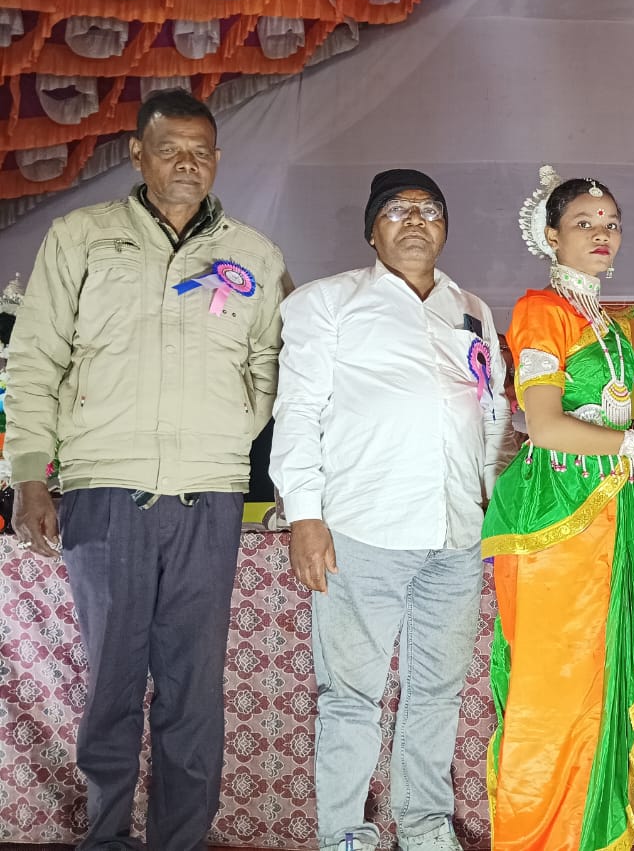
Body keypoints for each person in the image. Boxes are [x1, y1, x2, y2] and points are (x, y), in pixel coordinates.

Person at [4, 88, 287, 851]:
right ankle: (105, 836)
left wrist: (223, 431)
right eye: (169, 149)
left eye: (199, 151)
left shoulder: (254, 255)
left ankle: (179, 841)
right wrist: (30, 473)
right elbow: (35, 357)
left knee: (194, 686)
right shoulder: (81, 238)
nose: (186, 163)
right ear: (137, 155)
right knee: (113, 680)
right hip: (104, 491)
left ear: (217, 159)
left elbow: (269, 368)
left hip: (209, 497)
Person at [270, 169, 511, 851]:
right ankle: (345, 834)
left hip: (457, 534)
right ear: (372, 230)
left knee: (437, 692)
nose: (415, 221)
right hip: (360, 530)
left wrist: (492, 495)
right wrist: (305, 515)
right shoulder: (328, 301)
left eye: (429, 210)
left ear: (445, 227)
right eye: (397, 211)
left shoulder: (470, 308)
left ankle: (425, 827)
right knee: (350, 696)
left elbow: (492, 410)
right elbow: (298, 409)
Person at [481, 166, 634, 851]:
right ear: (551, 236)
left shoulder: (607, 320)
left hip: (607, 509)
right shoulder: (539, 310)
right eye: (584, 223)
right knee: (552, 691)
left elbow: (603, 420)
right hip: (556, 516)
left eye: (611, 224)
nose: (602, 234)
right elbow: (546, 427)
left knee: (597, 688)